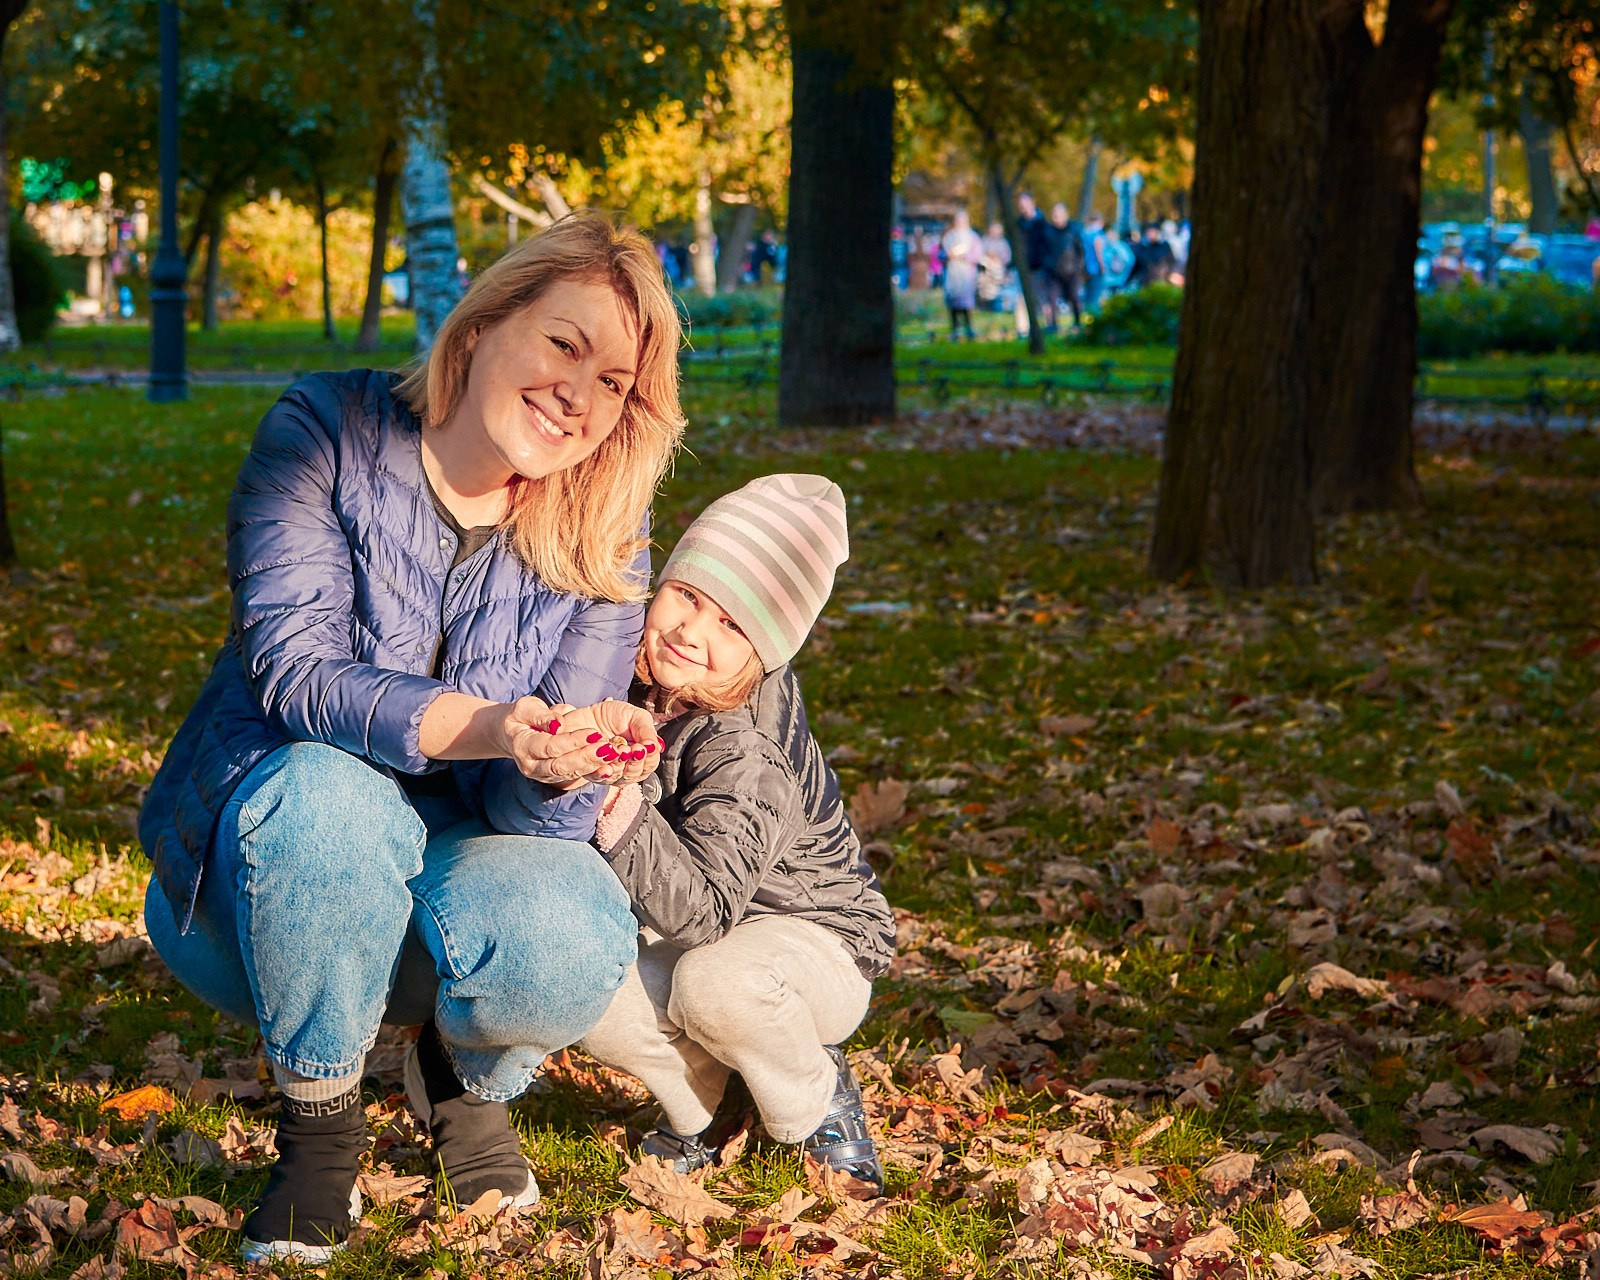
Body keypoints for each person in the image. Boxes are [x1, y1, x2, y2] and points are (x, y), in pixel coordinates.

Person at [138, 213, 683, 1263]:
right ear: (481, 326)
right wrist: (486, 723)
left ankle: (459, 1075)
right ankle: (321, 1126)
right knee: (328, 796)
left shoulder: (604, 523)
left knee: (574, 927)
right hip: (262, 883)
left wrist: (570, 757)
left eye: (614, 380)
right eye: (564, 345)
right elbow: (298, 676)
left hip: (453, 878)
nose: (581, 394)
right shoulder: (326, 427)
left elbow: (533, 820)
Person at [578, 475, 896, 1194]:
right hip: (690, 926)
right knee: (582, 978)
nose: (692, 631)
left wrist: (618, 801)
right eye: (687, 595)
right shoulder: (630, 673)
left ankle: (815, 1093)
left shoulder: (749, 746)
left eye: (732, 624)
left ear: (768, 650)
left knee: (716, 982)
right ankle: (704, 1104)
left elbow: (705, 914)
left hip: (814, 938)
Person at [1017, 192, 1061, 333]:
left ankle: (1050, 325)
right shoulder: (1018, 225)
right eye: (1021, 206)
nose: (1023, 209)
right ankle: (1023, 329)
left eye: (1025, 205)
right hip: (1024, 267)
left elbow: (1049, 247)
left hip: (1041, 267)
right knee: (1022, 298)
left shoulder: (1043, 224)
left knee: (1044, 299)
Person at [941, 210, 983, 340]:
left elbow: (978, 255)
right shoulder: (949, 237)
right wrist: (948, 255)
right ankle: (955, 329)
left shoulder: (972, 237)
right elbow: (939, 254)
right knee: (953, 302)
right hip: (953, 273)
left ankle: (968, 328)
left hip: (967, 274)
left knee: (966, 303)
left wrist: (964, 256)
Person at [1047, 202, 1086, 329]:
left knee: (1074, 297)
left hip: (1071, 271)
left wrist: (1077, 267)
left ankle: (1077, 322)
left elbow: (1080, 251)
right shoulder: (1049, 232)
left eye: (1058, 215)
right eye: (1054, 215)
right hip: (1054, 272)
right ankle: (1052, 325)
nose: (1056, 218)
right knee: (1052, 299)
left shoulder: (1074, 230)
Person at [977, 220, 1012, 311]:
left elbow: (1007, 257)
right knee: (985, 290)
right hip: (986, 269)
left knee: (997, 291)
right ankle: (985, 306)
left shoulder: (1003, 242)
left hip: (998, 270)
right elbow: (980, 254)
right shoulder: (985, 241)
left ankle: (997, 307)